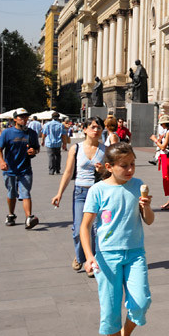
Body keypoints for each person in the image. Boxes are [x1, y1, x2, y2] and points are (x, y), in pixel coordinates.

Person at [79, 142, 154, 336]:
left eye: (132, 164)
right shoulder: (97, 191)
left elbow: (149, 221)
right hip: (107, 258)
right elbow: (85, 227)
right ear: (110, 167)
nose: (130, 169)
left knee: (141, 302)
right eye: (124, 166)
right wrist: (89, 257)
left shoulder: (137, 186)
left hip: (135, 253)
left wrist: (147, 206)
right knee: (111, 310)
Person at [52, 117, 106, 275]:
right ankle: (79, 256)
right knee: (78, 229)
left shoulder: (106, 149)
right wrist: (59, 193)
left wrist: (102, 170)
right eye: (92, 127)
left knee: (96, 229)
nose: (96, 130)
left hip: (98, 192)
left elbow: (111, 173)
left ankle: (92, 261)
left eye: (99, 127)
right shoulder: (76, 148)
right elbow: (68, 172)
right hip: (80, 192)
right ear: (84, 129)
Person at [0, 108, 41, 229]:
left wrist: (33, 151)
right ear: (15, 119)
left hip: (25, 169)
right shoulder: (7, 133)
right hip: (9, 169)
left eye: (26, 117)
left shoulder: (32, 133)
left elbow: (36, 148)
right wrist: (1, 162)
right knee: (11, 193)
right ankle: (11, 214)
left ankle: (29, 218)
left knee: (25, 193)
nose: (24, 119)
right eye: (21, 117)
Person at [149, 115, 169, 210]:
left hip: (167, 157)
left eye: (161, 123)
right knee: (167, 178)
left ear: (165, 123)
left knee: (168, 179)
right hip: (167, 156)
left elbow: (163, 147)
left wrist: (155, 140)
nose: (161, 125)